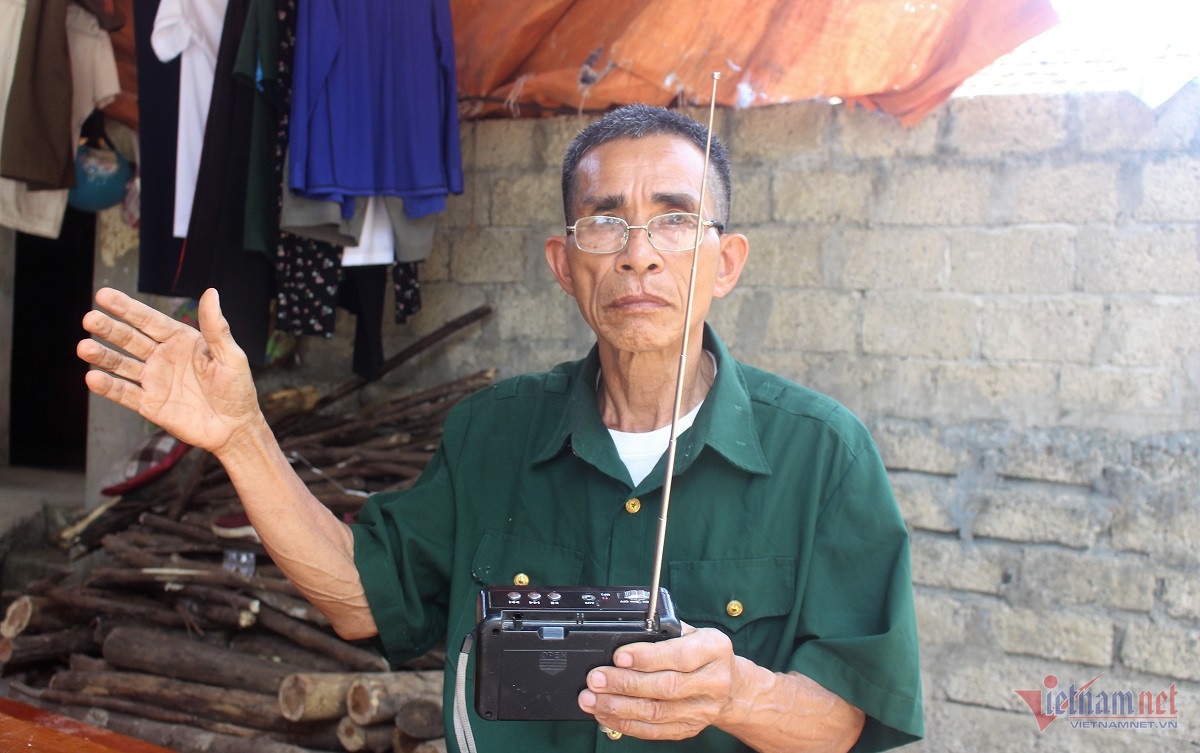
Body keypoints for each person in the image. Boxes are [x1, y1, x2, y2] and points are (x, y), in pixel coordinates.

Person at [78, 104, 923, 752]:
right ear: (564, 264)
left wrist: (736, 693)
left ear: (726, 262)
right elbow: (359, 599)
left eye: (674, 218)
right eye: (605, 221)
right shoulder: (492, 435)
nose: (639, 253)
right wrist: (240, 434)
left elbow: (848, 716)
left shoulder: (823, 454)